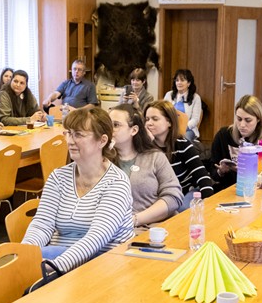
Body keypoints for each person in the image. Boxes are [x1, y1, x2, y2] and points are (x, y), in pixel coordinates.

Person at [21, 107, 133, 273]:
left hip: (103, 265)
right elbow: (42, 225)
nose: (70, 141)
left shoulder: (117, 183)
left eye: (79, 135)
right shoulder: (58, 177)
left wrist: (54, 266)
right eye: (69, 133)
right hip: (59, 259)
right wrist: (25, 255)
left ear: (102, 141)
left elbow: (97, 237)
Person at [109, 104, 182, 226]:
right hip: (114, 230)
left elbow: (173, 197)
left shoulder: (155, 157)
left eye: (116, 125)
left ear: (134, 130)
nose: (109, 129)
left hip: (154, 228)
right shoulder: (100, 161)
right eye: (107, 124)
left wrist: (135, 220)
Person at [208, 95, 262, 192]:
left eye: (248, 120)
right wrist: (220, 171)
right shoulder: (223, 135)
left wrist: (254, 167)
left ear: (258, 119)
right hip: (229, 189)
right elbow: (212, 171)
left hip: (258, 189)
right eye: (239, 119)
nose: (242, 125)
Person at [144, 100, 214, 204]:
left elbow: (202, 176)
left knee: (182, 210)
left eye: (155, 119)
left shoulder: (182, 145)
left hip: (184, 192)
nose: (149, 123)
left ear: (169, 122)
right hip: (159, 197)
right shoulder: (144, 148)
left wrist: (208, 202)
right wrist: (146, 144)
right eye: (147, 119)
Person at [163, 68, 203, 142]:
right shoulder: (169, 95)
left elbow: (195, 119)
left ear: (189, 83)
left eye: (182, 80)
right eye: (177, 80)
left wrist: (183, 127)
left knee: (183, 141)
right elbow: (163, 113)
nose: (179, 83)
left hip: (188, 129)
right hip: (170, 128)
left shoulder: (196, 97)